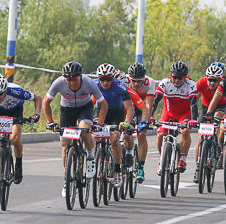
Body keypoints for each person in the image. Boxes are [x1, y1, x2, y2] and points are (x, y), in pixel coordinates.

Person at [44, 61, 108, 193]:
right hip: (67, 110)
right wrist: (50, 121)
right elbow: (46, 102)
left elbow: (104, 105)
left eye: (75, 79)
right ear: (64, 79)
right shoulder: (58, 82)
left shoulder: (89, 83)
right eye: (69, 79)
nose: (72, 82)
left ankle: (90, 158)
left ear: (80, 77)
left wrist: (99, 124)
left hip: (84, 109)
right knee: (65, 145)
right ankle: (66, 178)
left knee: (84, 130)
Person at [94, 63, 140, 187]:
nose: (105, 82)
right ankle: (95, 158)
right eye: (102, 79)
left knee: (114, 139)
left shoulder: (120, 86)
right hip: (100, 112)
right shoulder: (94, 85)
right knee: (92, 133)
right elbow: (87, 104)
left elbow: (129, 108)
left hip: (116, 114)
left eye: (108, 79)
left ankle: (117, 170)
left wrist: (127, 122)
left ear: (113, 78)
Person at [154, 61, 198, 174]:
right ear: (171, 76)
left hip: (184, 113)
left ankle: (182, 160)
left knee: (186, 131)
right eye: (174, 77)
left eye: (180, 78)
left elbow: (193, 104)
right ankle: (162, 159)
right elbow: (155, 101)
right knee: (160, 135)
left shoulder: (191, 84)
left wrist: (193, 119)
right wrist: (149, 116)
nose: (177, 80)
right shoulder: (165, 82)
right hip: (168, 113)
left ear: (185, 77)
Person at [191, 62, 226, 182]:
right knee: (201, 138)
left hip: (220, 106)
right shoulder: (201, 82)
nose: (212, 83)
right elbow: (194, 98)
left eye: (215, 81)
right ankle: (197, 167)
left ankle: (220, 149)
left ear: (220, 80)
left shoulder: (224, 84)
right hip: (206, 108)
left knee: (219, 124)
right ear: (206, 78)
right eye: (210, 80)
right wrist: (192, 114)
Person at [123, 62, 155, 182]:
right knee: (126, 132)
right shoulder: (124, 80)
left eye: (139, 81)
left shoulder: (150, 82)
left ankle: (141, 167)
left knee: (142, 133)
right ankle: (128, 153)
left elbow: (149, 104)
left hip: (142, 107)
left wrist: (145, 121)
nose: (136, 84)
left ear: (144, 79)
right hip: (129, 106)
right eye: (133, 81)